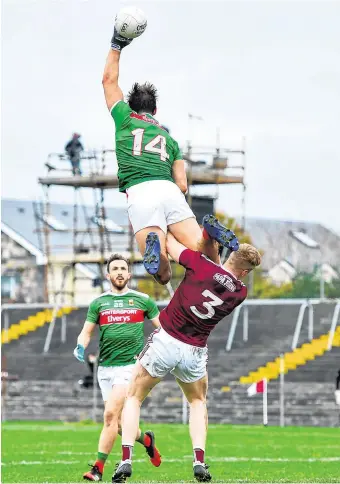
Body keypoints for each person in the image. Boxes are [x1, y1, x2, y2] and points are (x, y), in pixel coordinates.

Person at [112, 215, 261, 483]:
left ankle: (125, 459)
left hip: (167, 339)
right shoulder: (240, 293)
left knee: (134, 398)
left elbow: (169, 243)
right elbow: (221, 276)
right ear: (246, 273)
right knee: (197, 402)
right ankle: (199, 461)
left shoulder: (200, 265)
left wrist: (164, 228)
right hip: (194, 351)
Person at [102, 29, 235, 285]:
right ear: (155, 110)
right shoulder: (170, 140)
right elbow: (182, 185)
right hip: (169, 190)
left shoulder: (124, 119)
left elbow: (109, 80)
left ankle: (160, 251)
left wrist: (117, 43)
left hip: (140, 193)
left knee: (162, 275)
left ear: (131, 106)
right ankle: (208, 235)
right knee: (203, 256)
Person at [73, 253, 162, 482]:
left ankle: (97, 468)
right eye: (116, 269)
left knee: (110, 415)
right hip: (105, 369)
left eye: (124, 268)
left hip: (130, 367)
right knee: (120, 423)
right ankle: (147, 440)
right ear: (108, 274)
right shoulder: (99, 303)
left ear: (129, 274)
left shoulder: (143, 300)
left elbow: (162, 329)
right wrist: (80, 346)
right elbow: (86, 331)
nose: (120, 272)